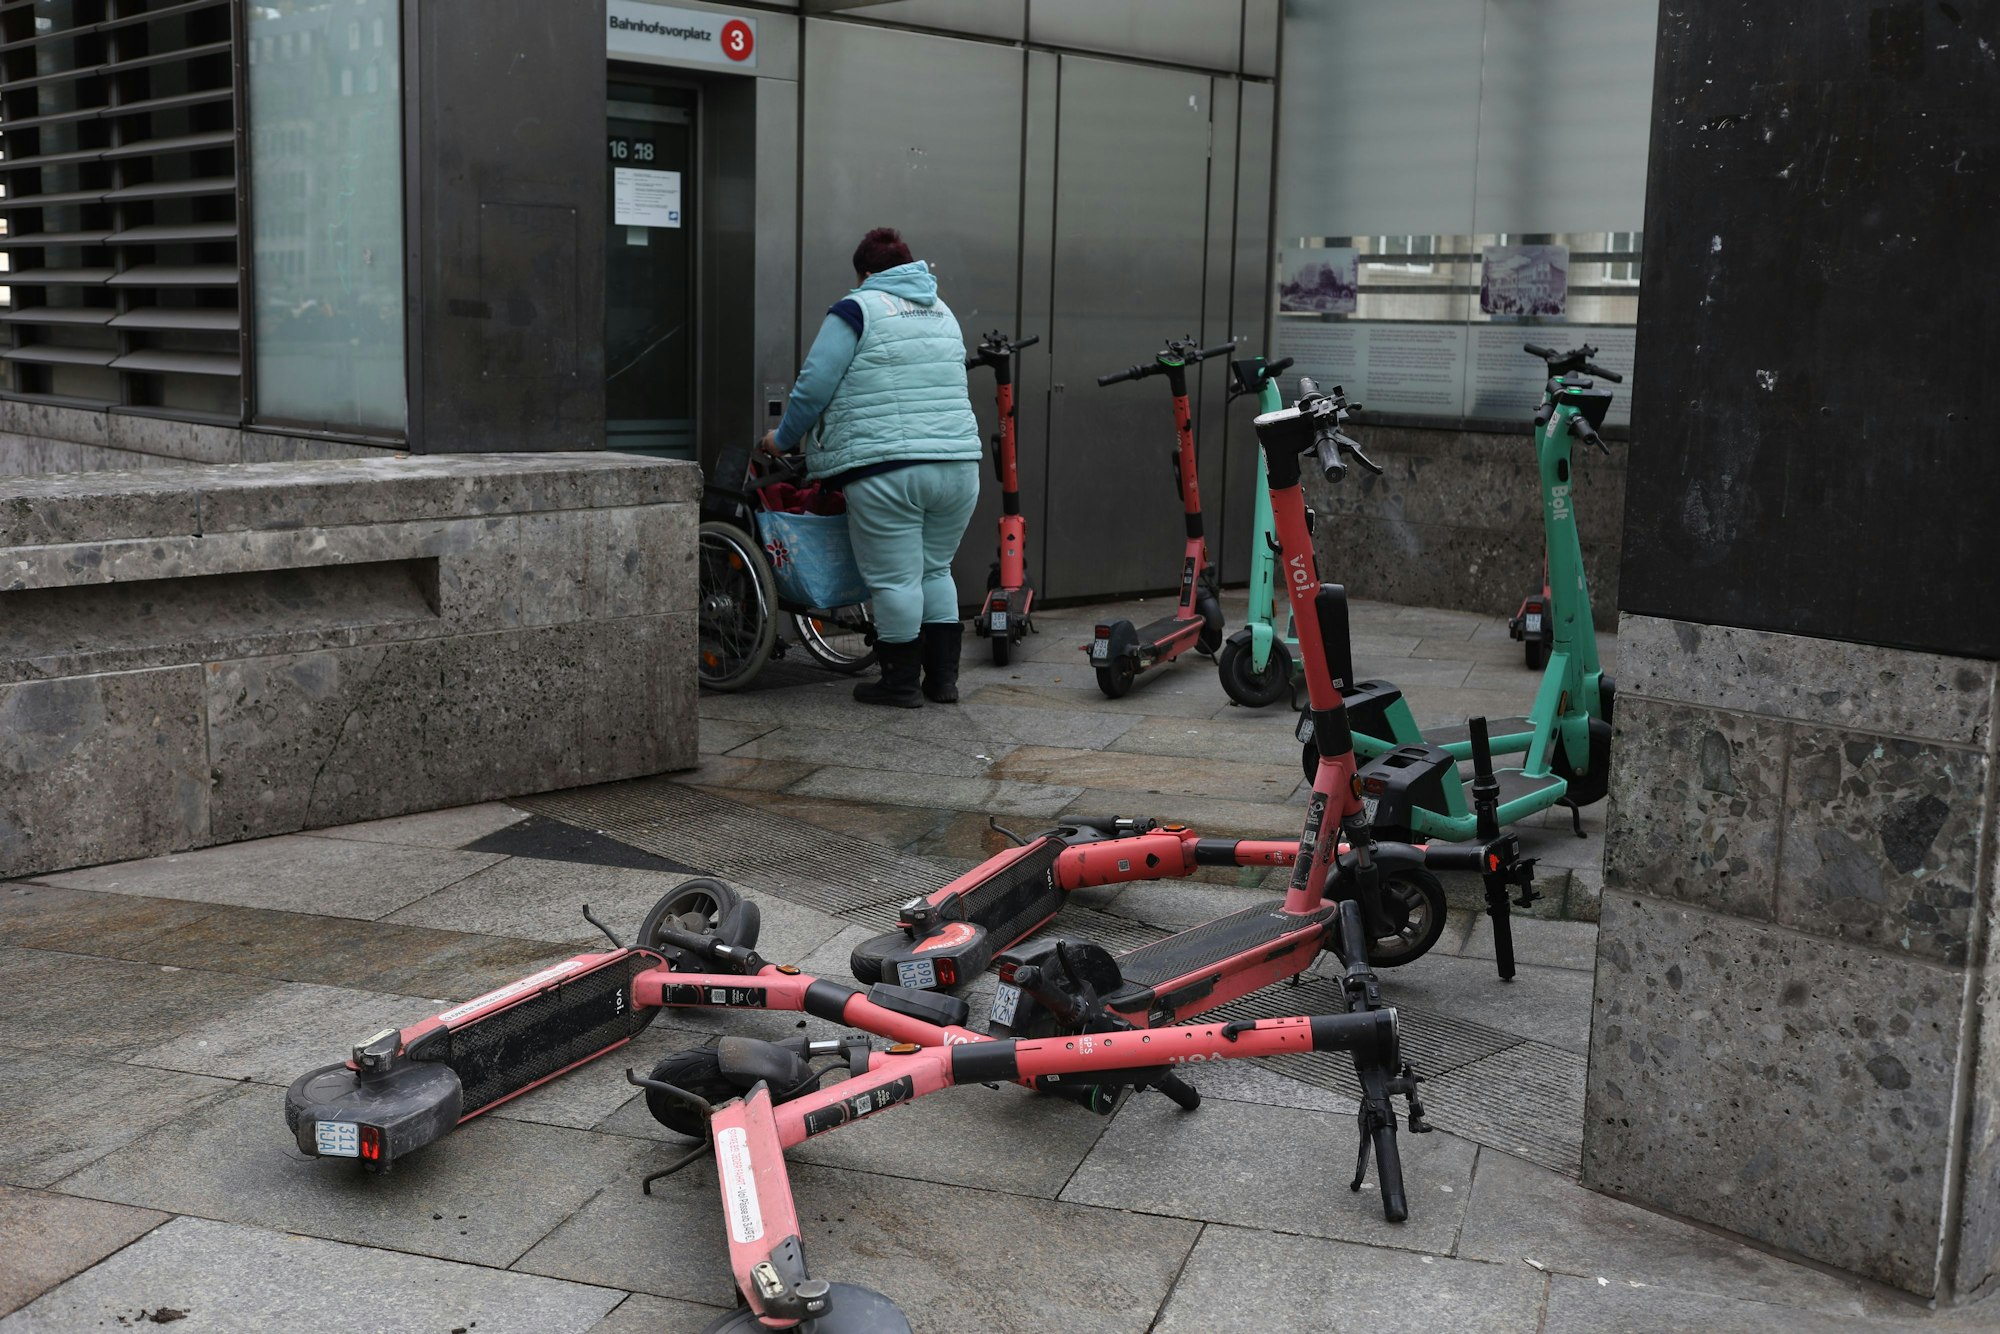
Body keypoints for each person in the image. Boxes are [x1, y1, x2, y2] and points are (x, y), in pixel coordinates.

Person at [760, 227, 982, 708]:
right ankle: (943, 681)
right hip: (960, 465)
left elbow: (814, 386)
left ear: (864, 273)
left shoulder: (856, 309)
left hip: (889, 469)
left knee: (897, 579)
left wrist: (781, 439)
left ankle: (899, 683)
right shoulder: (941, 311)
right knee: (934, 569)